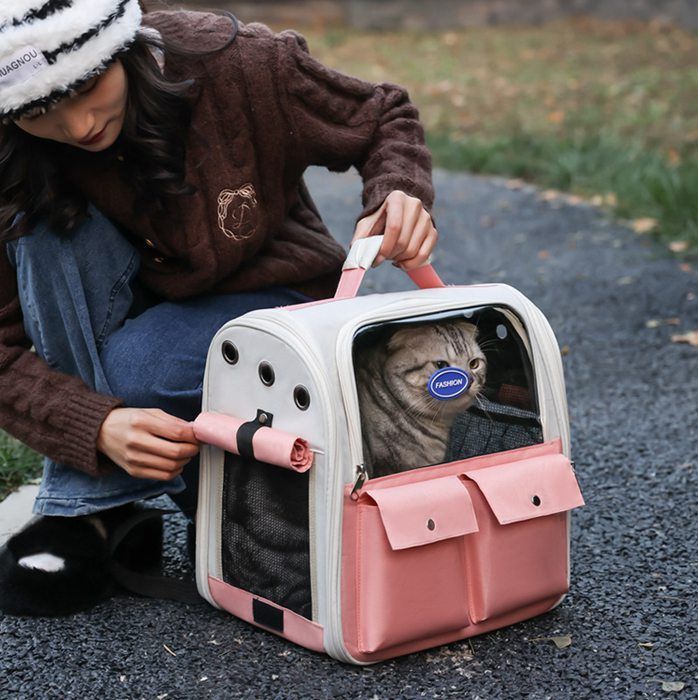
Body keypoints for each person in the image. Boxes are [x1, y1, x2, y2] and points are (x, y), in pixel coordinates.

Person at [0, 0, 437, 615]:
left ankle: (113, 507)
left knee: (140, 368)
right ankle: (109, 504)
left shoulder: (239, 64)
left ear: (123, 47)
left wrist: (399, 192)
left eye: (87, 87)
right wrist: (94, 426)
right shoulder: (12, 152)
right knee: (36, 226)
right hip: (136, 317)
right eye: (38, 111)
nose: (76, 126)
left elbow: (382, 113)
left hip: (274, 295)